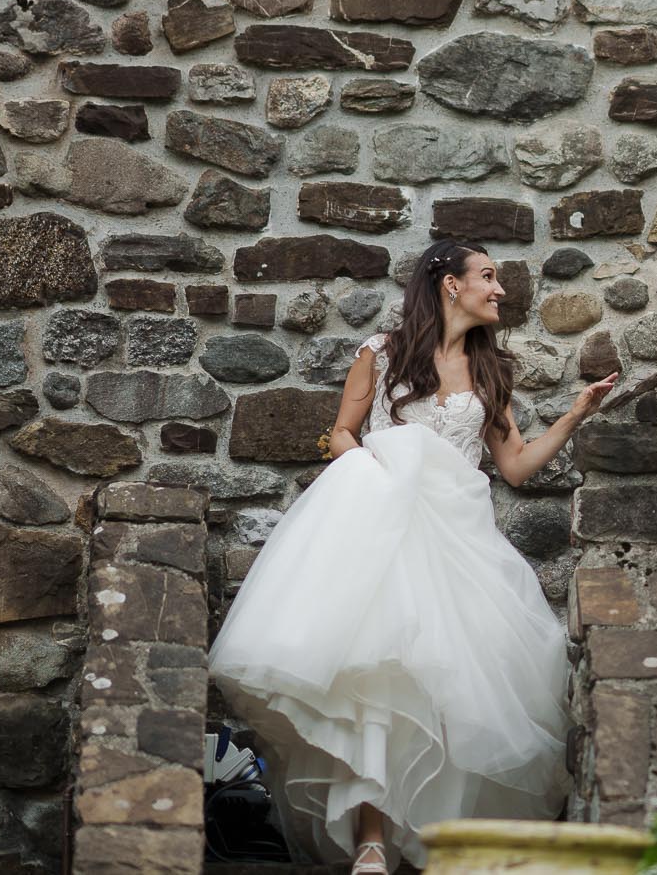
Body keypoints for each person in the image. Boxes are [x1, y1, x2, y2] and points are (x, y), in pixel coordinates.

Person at [209, 239, 620, 874]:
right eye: (488, 277)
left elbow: (514, 467)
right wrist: (382, 475)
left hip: (461, 542)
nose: (501, 290)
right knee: (381, 672)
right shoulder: (380, 353)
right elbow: (341, 435)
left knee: (455, 684)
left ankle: (442, 837)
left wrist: (573, 416)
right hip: (387, 530)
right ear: (451, 285)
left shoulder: (490, 374)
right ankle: (372, 838)